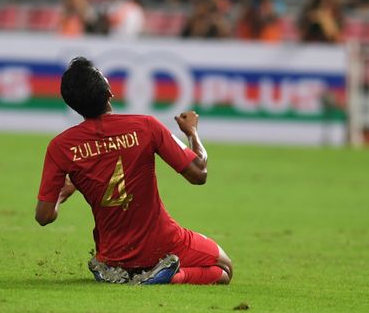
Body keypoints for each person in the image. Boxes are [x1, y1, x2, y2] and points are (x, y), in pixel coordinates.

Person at [35, 57, 233, 285]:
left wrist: (66, 190)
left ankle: (113, 269)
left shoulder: (61, 147)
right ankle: (168, 276)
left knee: (113, 255)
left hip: (112, 253)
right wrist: (191, 132)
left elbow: (44, 216)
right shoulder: (146, 126)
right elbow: (199, 173)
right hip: (162, 244)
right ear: (109, 93)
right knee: (224, 268)